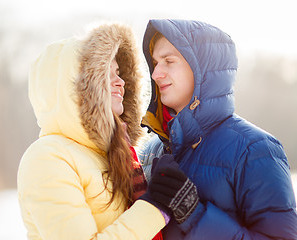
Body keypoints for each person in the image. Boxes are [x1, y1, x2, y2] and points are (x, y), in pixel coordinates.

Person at [17, 22, 182, 240]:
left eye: (119, 72)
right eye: (106, 73)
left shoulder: (118, 155)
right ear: (76, 87)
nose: (120, 82)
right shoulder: (48, 158)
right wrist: (154, 207)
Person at [139, 19, 297, 239]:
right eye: (155, 63)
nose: (156, 74)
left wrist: (193, 214)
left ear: (201, 67)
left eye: (168, 61)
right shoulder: (150, 150)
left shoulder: (255, 150)